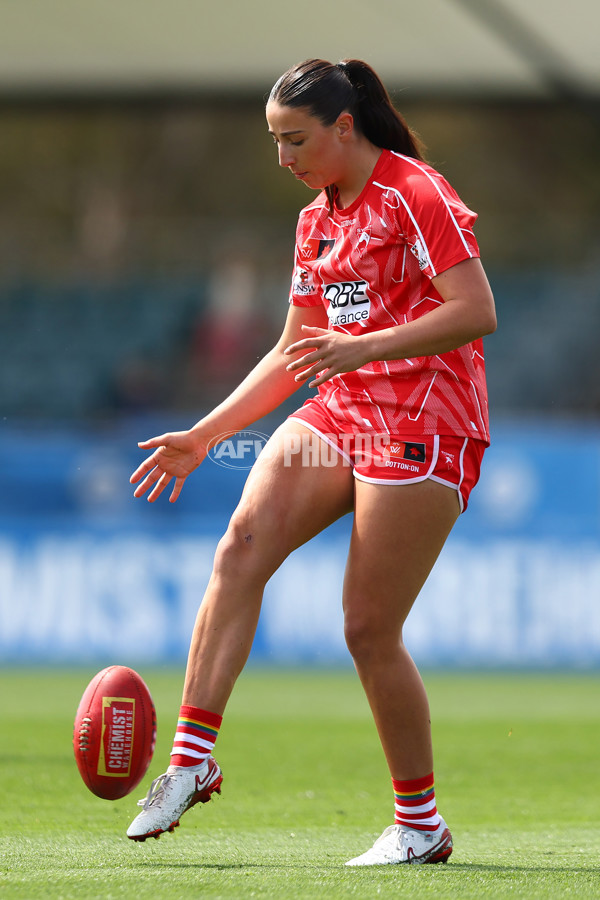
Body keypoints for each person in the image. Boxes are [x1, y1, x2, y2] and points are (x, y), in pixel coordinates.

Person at [126, 58, 497, 866]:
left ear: (344, 127)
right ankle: (191, 758)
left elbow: (477, 313)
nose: (283, 158)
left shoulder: (417, 194)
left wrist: (362, 345)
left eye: (294, 140)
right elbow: (296, 350)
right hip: (346, 404)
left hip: (427, 418)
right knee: (240, 546)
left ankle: (420, 824)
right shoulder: (315, 222)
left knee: (367, 627)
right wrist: (205, 432)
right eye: (273, 141)